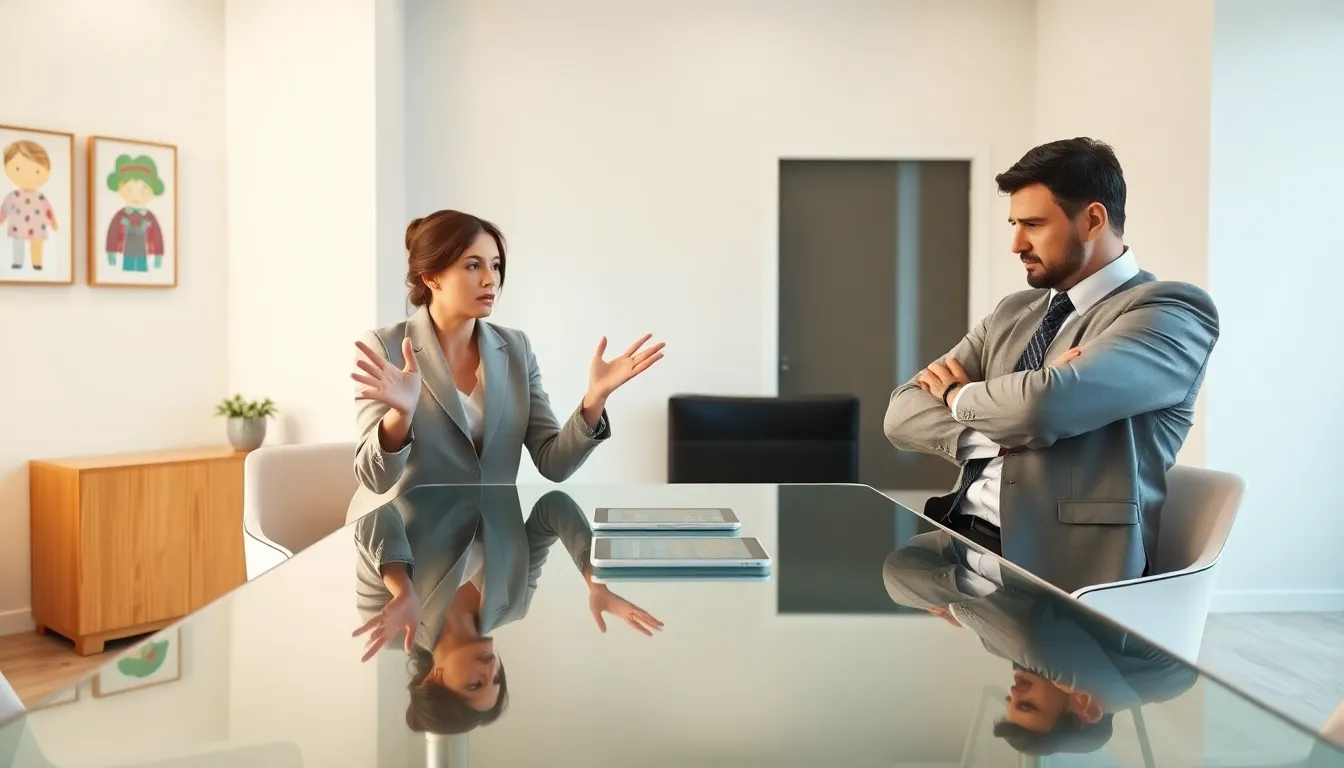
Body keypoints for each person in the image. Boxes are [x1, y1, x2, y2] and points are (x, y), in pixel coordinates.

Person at [883, 137, 1219, 593]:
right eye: (1014, 224)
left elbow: (1039, 409)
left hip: (1060, 570)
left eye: (1034, 224)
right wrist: (1005, 424)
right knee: (895, 579)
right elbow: (901, 413)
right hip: (961, 538)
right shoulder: (1014, 311)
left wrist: (956, 395)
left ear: (1093, 219)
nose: (1016, 243)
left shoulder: (1169, 312)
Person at [347, 210, 665, 519]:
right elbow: (376, 480)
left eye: (496, 266)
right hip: (403, 549)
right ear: (432, 278)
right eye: (473, 265)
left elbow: (554, 463)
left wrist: (596, 396)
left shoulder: (516, 348)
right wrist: (401, 415)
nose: (491, 279)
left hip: (494, 548)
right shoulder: (384, 347)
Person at [352, 485, 662, 734]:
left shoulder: (386, 624)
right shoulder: (514, 602)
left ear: (434, 678)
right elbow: (552, 508)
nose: (491, 671)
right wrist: (595, 580)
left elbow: (373, 515)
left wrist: (402, 587)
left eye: (475, 684)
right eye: (497, 680)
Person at [881, 530, 1197, 757]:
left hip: (1013, 546)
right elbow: (1030, 634)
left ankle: (974, 585)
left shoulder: (1010, 652)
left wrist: (965, 608)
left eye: (1010, 700)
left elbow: (899, 570)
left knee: (894, 576)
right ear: (1085, 709)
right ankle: (976, 588)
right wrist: (962, 611)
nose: (1014, 689)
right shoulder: (1167, 679)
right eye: (1028, 704)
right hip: (1072, 532)